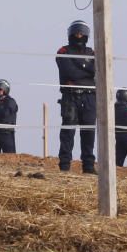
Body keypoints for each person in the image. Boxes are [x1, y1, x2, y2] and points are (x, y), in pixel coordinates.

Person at [57, 20, 97, 174]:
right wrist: (87, 70)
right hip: (70, 96)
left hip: (89, 97)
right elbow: (69, 72)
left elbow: (98, 71)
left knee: (88, 132)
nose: (78, 35)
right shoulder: (63, 51)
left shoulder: (92, 53)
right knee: (68, 131)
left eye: (81, 33)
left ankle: (88, 167)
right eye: (76, 33)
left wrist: (80, 71)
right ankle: (65, 166)